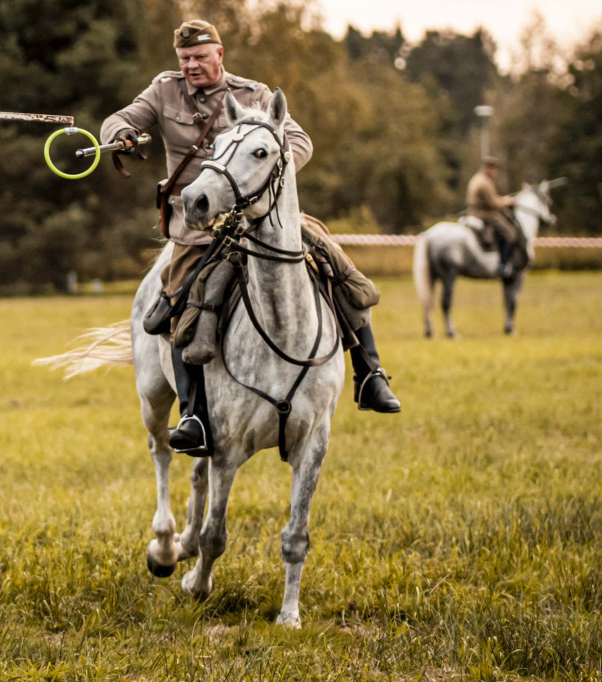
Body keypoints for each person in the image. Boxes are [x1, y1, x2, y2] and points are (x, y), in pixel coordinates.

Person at [101, 19, 400, 456]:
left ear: (219, 55)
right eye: (185, 59)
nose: (191, 65)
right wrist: (120, 136)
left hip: (261, 217)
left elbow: (298, 139)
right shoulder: (163, 91)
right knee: (180, 305)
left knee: (336, 267)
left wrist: (268, 176)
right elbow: (120, 119)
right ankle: (193, 415)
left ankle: (370, 375)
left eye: (200, 57)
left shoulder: (254, 94)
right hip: (197, 230)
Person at [466, 156, 520, 277]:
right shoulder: (485, 182)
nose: (495, 172)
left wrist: (502, 199)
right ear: (488, 169)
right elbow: (493, 203)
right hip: (485, 214)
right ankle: (503, 265)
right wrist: (508, 201)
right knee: (510, 233)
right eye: (494, 169)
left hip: (474, 212)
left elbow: (492, 199)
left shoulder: (476, 178)